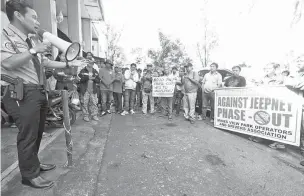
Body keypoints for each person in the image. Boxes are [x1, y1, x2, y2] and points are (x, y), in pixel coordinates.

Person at [1, 0, 82, 188]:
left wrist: (68, 64)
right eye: (34, 17)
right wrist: (33, 50)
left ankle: (34, 165)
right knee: (28, 135)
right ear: (19, 16)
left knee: (37, 133)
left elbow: (44, 63)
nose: (38, 22)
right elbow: (7, 63)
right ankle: (29, 176)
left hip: (37, 91)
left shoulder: (30, 39)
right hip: (21, 93)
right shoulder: (6, 36)